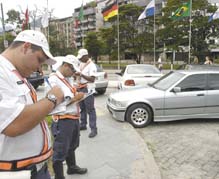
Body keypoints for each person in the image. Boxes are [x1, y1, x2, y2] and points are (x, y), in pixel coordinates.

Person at [0, 30, 64, 179]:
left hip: (34, 168)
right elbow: (13, 124)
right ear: (26, 47)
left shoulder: (15, 73)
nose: (39, 68)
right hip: (15, 172)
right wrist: (52, 99)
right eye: (39, 60)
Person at [47, 56, 87, 179]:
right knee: (60, 150)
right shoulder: (53, 79)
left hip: (73, 118)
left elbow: (71, 94)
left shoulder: (66, 78)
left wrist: (77, 95)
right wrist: (76, 98)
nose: (73, 73)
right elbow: (54, 102)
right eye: (72, 70)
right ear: (65, 65)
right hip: (63, 119)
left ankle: (71, 167)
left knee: (72, 145)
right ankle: (59, 176)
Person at [75, 49, 98, 138]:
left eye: (81, 58)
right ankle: (83, 124)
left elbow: (92, 79)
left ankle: (93, 129)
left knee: (90, 110)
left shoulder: (92, 66)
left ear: (86, 56)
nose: (80, 59)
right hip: (80, 88)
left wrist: (81, 75)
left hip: (88, 90)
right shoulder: (81, 64)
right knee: (82, 108)